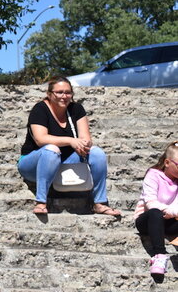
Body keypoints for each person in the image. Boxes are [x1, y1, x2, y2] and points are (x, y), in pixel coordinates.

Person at [17, 76, 121, 216]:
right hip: (33, 164)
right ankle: (41, 202)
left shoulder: (76, 109)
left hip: (62, 162)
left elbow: (86, 138)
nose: (64, 96)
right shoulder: (40, 109)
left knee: (97, 153)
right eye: (59, 92)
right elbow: (41, 139)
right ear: (49, 94)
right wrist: (71, 141)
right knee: (51, 149)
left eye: (68, 92)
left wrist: (84, 144)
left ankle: (100, 203)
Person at [134, 141, 178, 276]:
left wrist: (173, 213)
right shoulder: (153, 175)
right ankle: (159, 255)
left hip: (170, 220)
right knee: (155, 213)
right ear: (167, 163)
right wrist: (170, 211)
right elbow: (151, 203)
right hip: (148, 219)